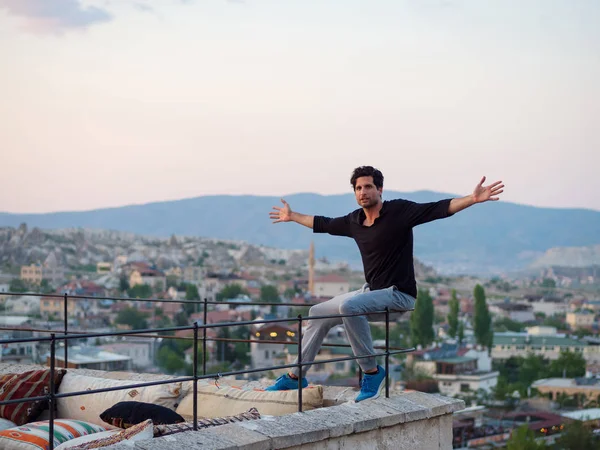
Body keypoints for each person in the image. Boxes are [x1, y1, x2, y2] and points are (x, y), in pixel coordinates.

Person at [266, 166, 504, 402]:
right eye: (358, 188)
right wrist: (292, 216)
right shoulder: (354, 221)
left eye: (368, 186)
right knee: (317, 312)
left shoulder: (398, 212)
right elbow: (323, 223)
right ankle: (295, 376)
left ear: (379, 189)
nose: (363, 192)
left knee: (349, 307)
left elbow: (438, 209)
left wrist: (472, 199)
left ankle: (371, 372)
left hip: (399, 295)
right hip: (371, 293)